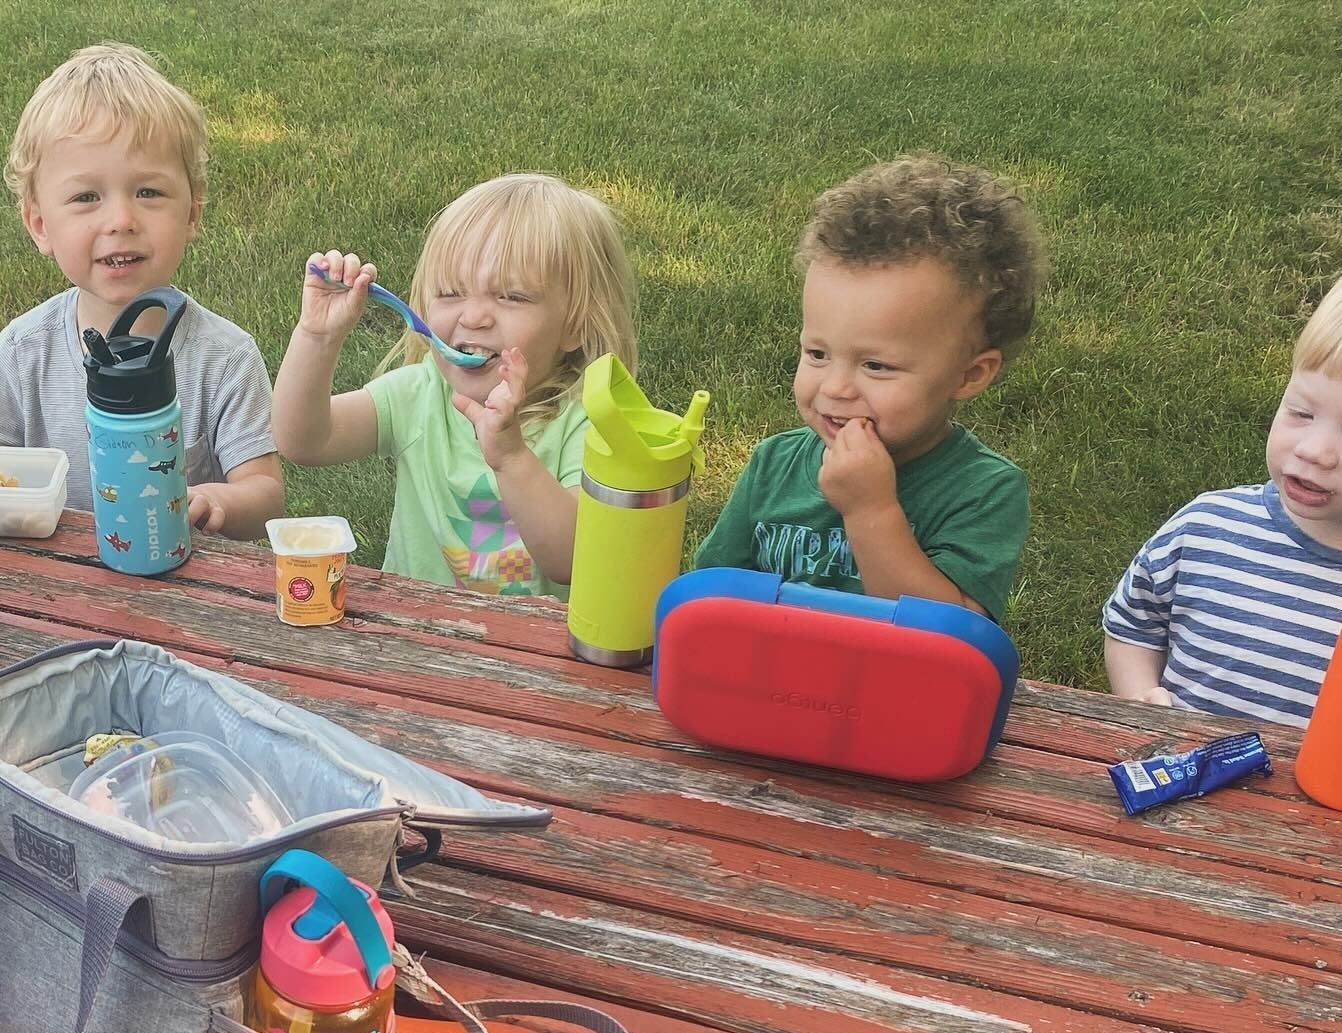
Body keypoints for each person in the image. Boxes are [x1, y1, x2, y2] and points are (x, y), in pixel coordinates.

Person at [1103, 231, 1342, 726]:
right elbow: (1132, 626)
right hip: (1181, 775)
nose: (1314, 451)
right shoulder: (1207, 527)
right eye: (1301, 411)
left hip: (1326, 799)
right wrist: (1141, 703)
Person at [693, 154, 1045, 619]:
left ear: (970, 375)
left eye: (876, 365)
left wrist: (871, 513)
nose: (836, 388)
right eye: (818, 354)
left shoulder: (982, 491)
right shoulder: (774, 466)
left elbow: (950, 640)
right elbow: (711, 597)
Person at [272, 174, 636, 595]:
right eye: (449, 292)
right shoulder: (419, 395)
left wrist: (511, 455)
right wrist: (317, 337)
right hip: (415, 637)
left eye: (512, 297)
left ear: (574, 324)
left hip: (534, 652)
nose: (474, 316)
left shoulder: (588, 422)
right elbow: (303, 441)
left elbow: (569, 560)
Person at [0, 43, 282, 538]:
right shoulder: (22, 355)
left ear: (192, 212)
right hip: (54, 592)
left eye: (148, 192)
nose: (121, 220)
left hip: (184, 587)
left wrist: (217, 499)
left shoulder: (225, 357)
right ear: (40, 224)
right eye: (86, 197)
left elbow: (266, 495)